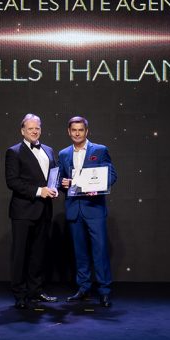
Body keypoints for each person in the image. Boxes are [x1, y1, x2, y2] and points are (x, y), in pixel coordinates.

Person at [58, 116, 117, 307]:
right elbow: (61, 181)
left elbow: (112, 175)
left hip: (94, 209)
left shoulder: (99, 150)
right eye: (74, 130)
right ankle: (83, 288)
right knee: (80, 252)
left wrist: (98, 187)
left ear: (86, 131)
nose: (77, 133)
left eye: (80, 130)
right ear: (69, 132)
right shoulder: (64, 154)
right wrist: (62, 183)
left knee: (100, 251)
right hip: (74, 209)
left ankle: (104, 291)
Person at [5, 113, 59, 309]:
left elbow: (53, 176)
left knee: (38, 253)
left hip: (44, 210)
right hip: (23, 211)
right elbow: (12, 181)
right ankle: (19, 294)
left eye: (37, 128)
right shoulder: (14, 152)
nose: (34, 131)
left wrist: (58, 186)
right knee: (20, 254)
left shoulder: (48, 150)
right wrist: (39, 191)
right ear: (23, 131)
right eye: (30, 128)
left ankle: (35, 291)